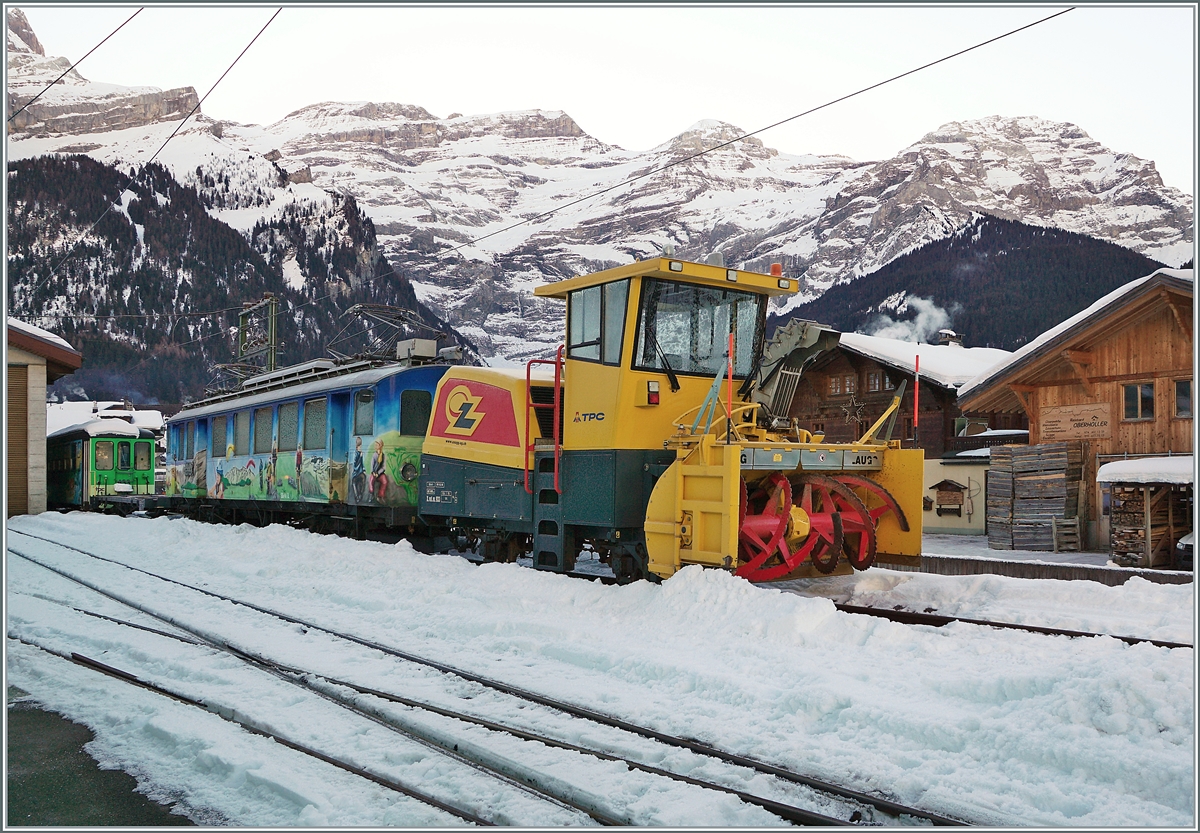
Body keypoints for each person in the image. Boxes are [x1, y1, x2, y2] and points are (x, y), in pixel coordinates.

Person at [369, 438, 388, 503]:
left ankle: (380, 496)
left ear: (380, 446)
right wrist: (373, 472)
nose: (375, 446)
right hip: (374, 473)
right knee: (371, 480)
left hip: (380, 474)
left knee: (384, 481)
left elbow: (384, 467)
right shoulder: (374, 455)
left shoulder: (383, 456)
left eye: (377, 445)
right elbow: (372, 464)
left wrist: (378, 473)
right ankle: (371, 494)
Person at [352, 436, 366, 503]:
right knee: (354, 481)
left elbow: (362, 463)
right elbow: (355, 465)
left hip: (359, 472)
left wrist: (363, 470)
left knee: (362, 479)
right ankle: (357, 496)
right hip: (356, 472)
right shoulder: (356, 454)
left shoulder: (360, 453)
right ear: (357, 447)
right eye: (360, 447)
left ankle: (360, 495)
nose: (361, 448)